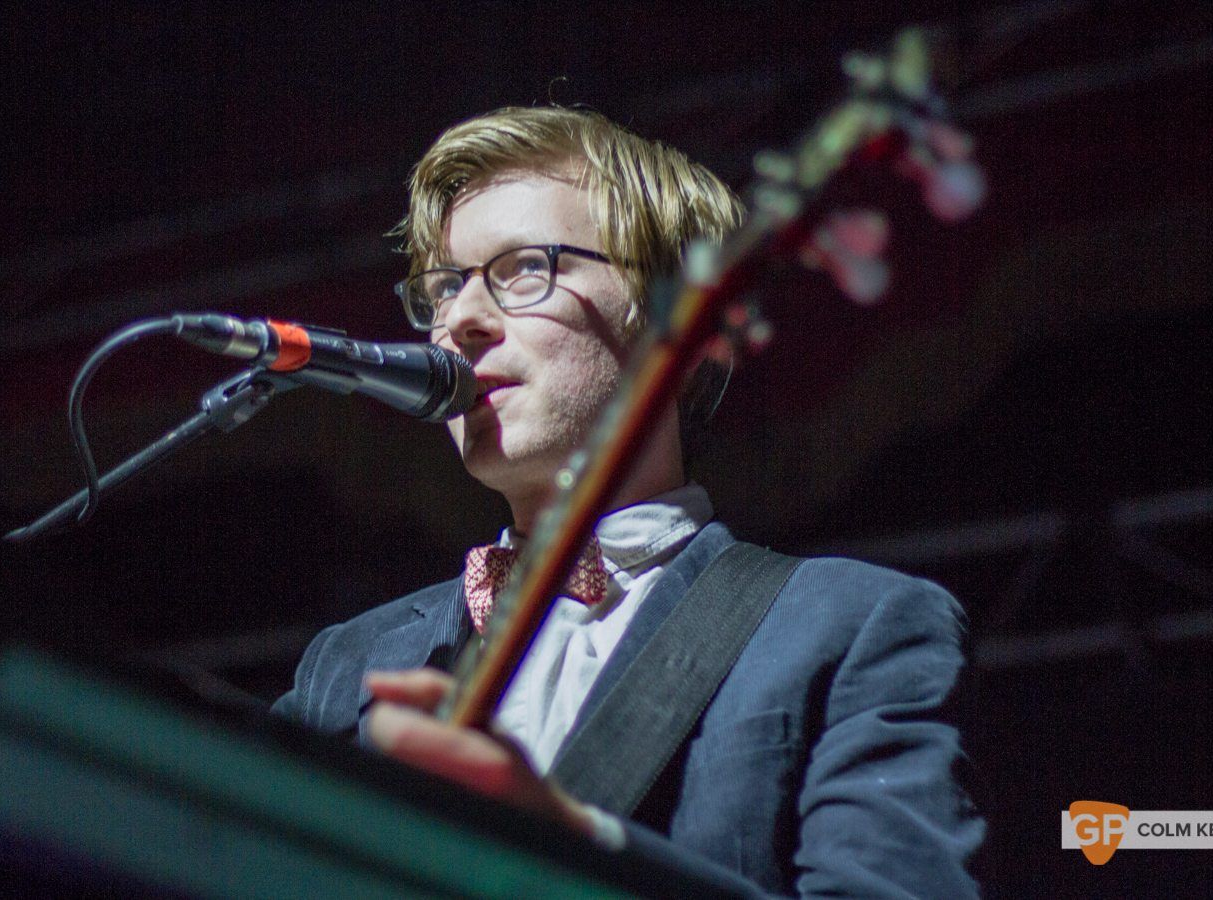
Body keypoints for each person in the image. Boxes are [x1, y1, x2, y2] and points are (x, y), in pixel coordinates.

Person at [273, 106, 984, 897]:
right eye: (444, 287)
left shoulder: (852, 625)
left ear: (678, 324)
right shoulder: (347, 663)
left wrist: (578, 841)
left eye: (524, 269)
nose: (460, 320)